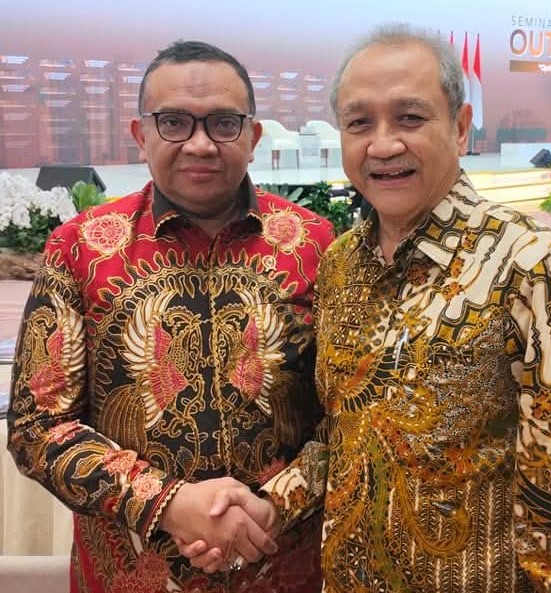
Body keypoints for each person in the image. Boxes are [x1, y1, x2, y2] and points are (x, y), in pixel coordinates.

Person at [181, 25, 551, 592]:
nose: (383, 145)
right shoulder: (342, 263)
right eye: (359, 123)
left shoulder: (533, 268)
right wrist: (273, 504)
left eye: (410, 118)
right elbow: (346, 435)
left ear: (459, 127)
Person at [7, 40, 335, 593]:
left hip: (281, 567)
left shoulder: (316, 245)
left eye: (224, 123)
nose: (200, 144)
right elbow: (36, 427)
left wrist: (277, 503)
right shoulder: (81, 248)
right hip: (129, 573)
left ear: (253, 136)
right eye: (174, 122)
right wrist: (168, 503)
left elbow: (349, 414)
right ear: (141, 135)